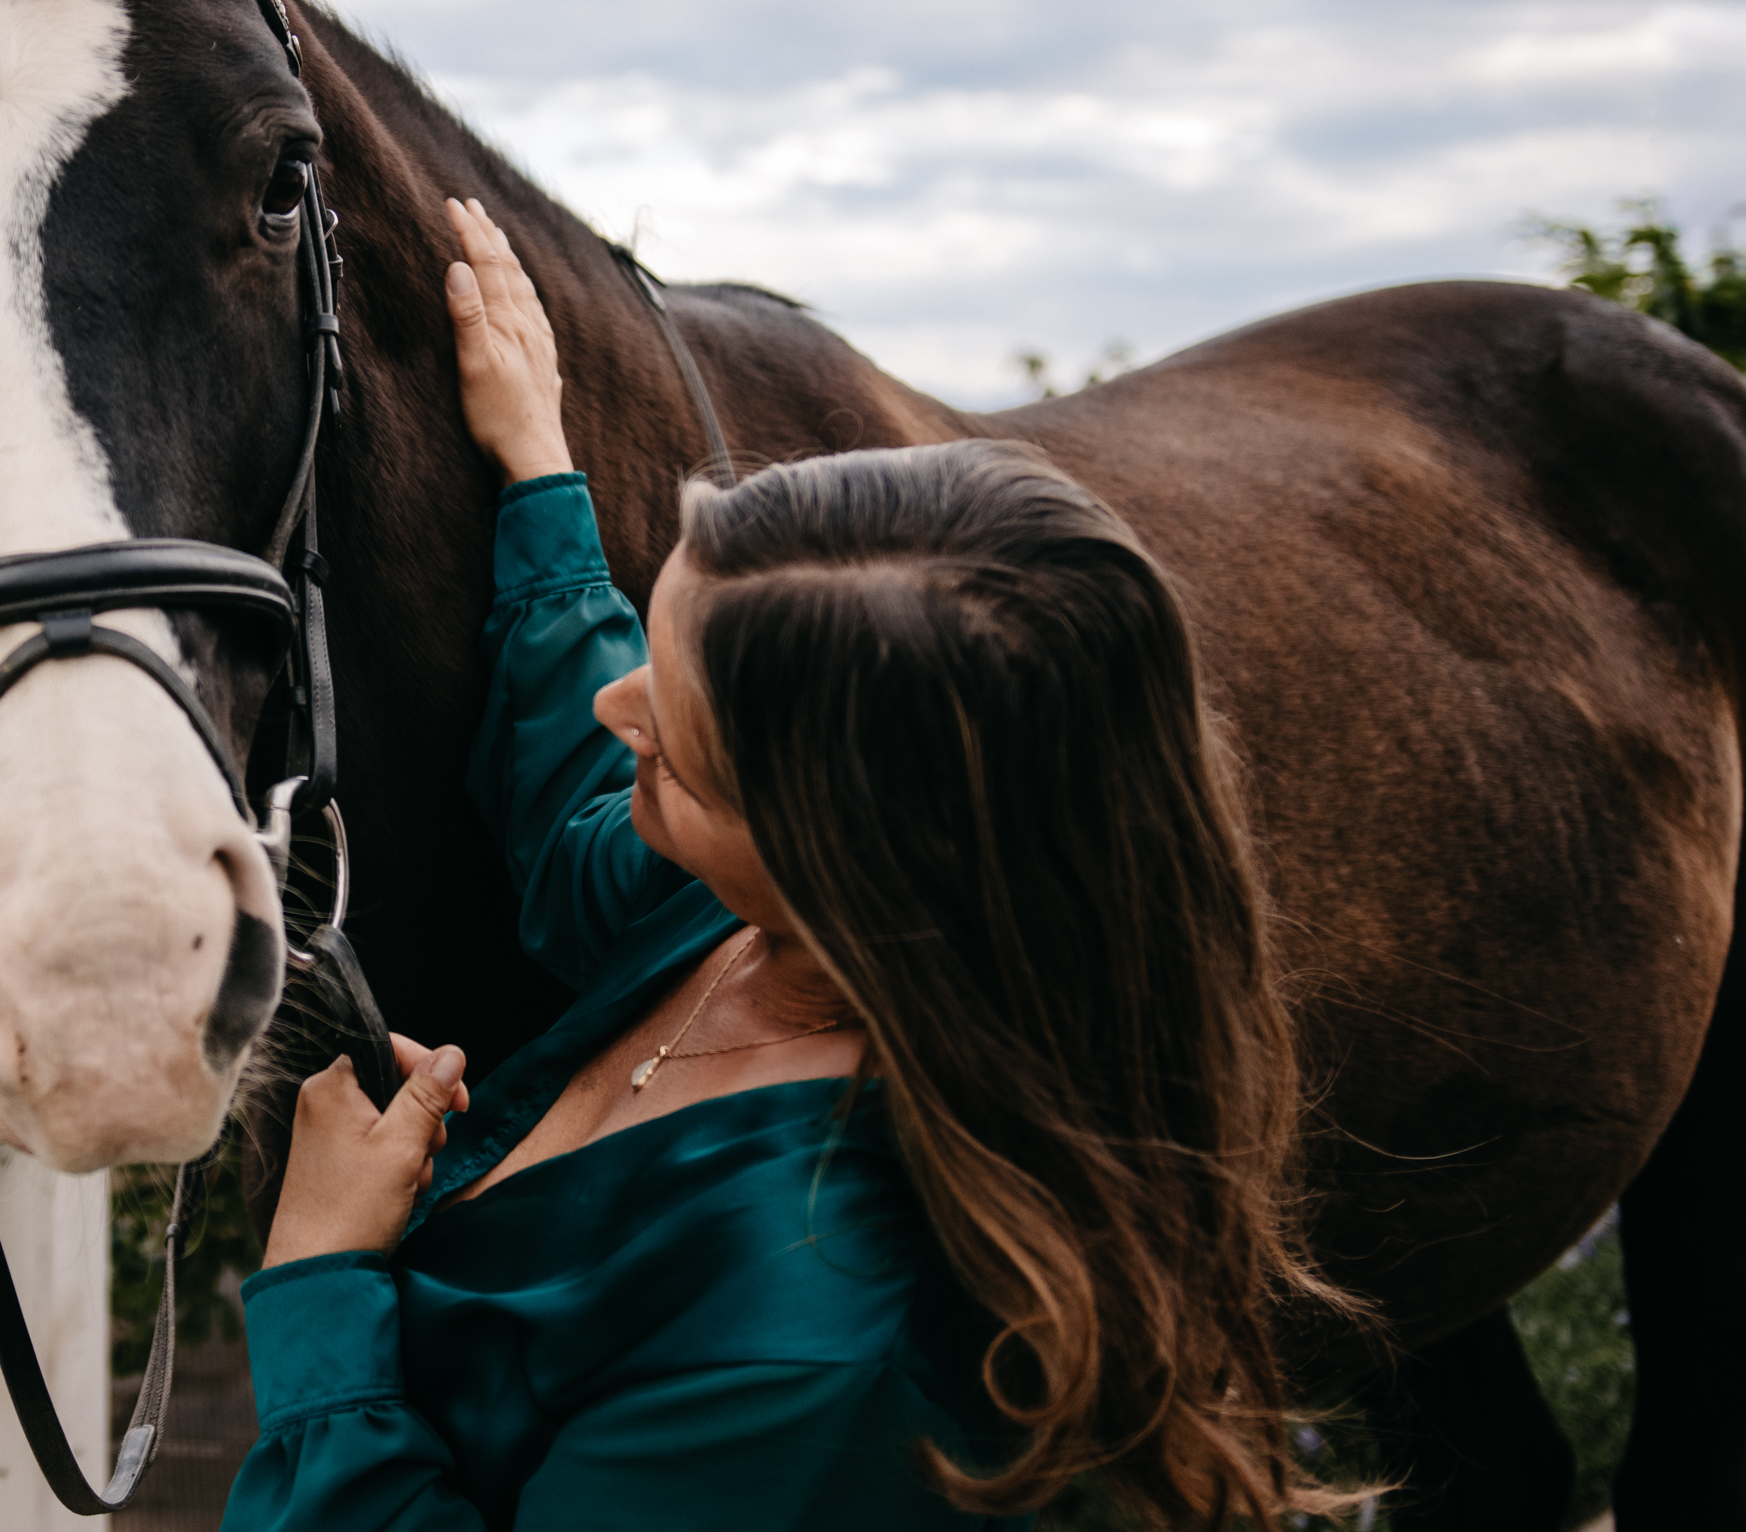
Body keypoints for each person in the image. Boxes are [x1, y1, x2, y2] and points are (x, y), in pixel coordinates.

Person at [218, 201, 1362, 1530]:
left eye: (684, 746)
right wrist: (535, 464)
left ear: (838, 847)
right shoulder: (749, 924)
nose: (617, 710)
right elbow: (587, 804)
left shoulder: (816, 1349)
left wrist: (320, 1279)